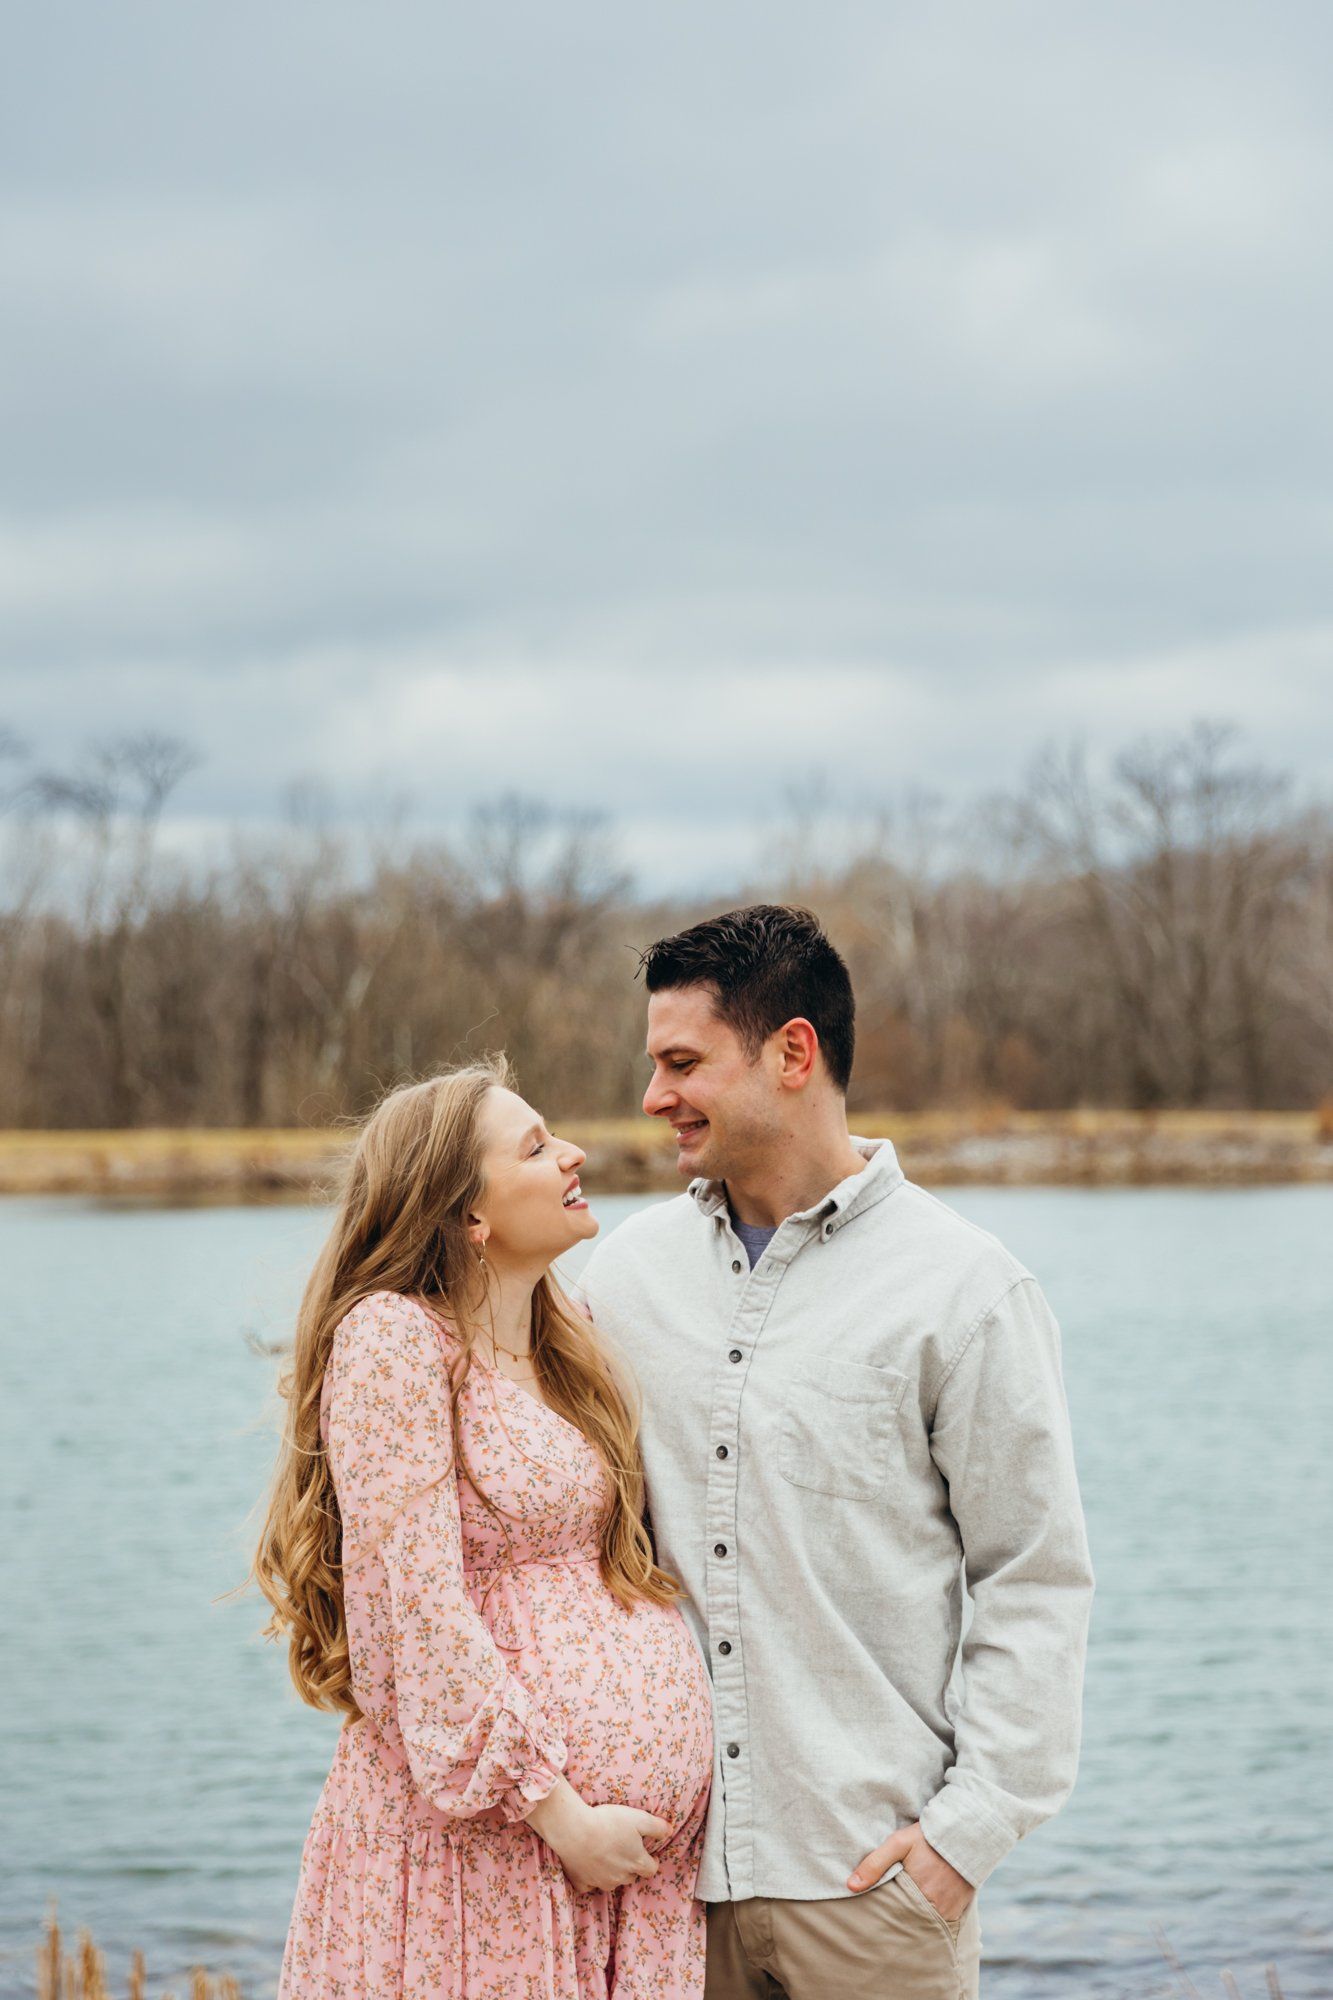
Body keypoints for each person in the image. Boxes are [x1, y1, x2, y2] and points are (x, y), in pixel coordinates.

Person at [577, 905, 1095, 2000]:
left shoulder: (964, 1288)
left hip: (872, 1894)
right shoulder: (617, 1280)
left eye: (682, 1061)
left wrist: (965, 1837)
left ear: (792, 1052)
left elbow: (1034, 1577)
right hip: (661, 1893)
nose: (652, 1095)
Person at [252, 1060, 713, 1999]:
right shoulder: (394, 1340)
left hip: (623, 1880)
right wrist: (560, 1815)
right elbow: (417, 1614)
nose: (574, 1152)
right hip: (491, 1854)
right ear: (469, 1216)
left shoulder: (568, 1338)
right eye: (537, 1147)